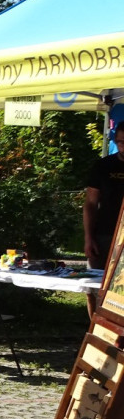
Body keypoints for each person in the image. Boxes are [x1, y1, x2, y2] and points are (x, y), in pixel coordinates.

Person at [83, 123, 124, 313]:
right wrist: (88, 238)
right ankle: (95, 333)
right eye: (120, 142)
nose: (123, 146)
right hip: (104, 234)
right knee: (93, 287)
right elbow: (90, 203)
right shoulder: (103, 166)